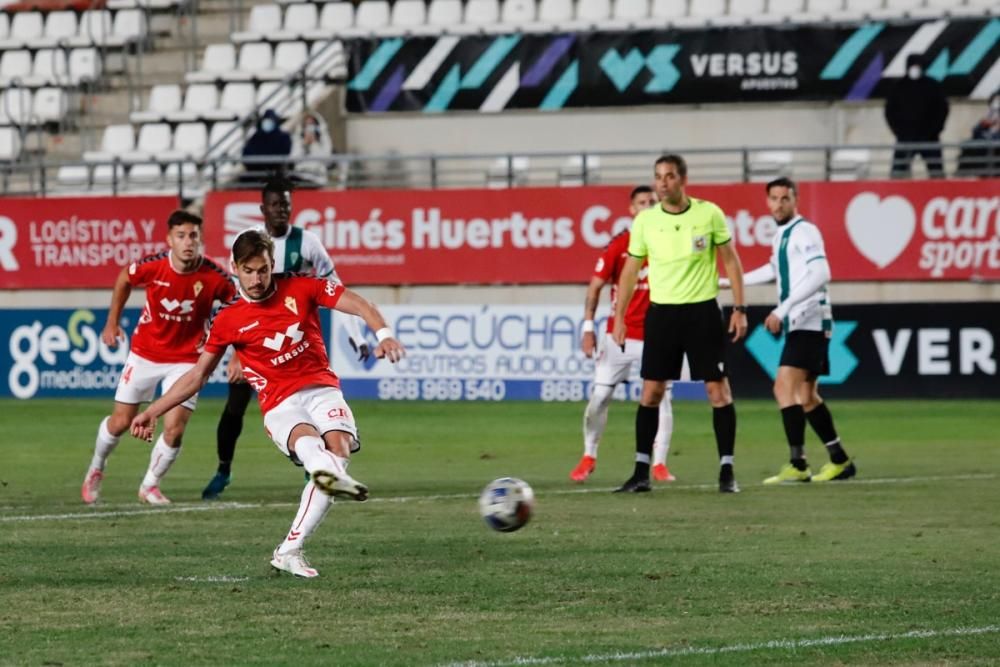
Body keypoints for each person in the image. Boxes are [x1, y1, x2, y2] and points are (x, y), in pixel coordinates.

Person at [130, 230, 405, 578]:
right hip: (280, 403)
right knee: (317, 455)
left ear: (272, 264)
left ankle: (290, 548)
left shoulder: (303, 287)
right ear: (234, 267)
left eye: (262, 270)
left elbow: (362, 305)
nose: (256, 279)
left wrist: (384, 334)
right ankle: (326, 480)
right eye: (248, 271)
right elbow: (197, 376)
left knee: (338, 451)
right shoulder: (228, 318)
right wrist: (153, 410)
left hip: (322, 389)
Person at [202, 176, 370, 501]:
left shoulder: (308, 242)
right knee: (234, 409)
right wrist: (237, 350)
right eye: (276, 205)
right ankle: (223, 469)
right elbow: (239, 296)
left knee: (308, 401)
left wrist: (355, 334)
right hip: (250, 343)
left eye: (287, 205)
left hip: (292, 339)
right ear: (263, 208)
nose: (282, 210)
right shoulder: (245, 241)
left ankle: (317, 472)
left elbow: (335, 287)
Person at [612, 154, 748, 494]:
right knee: (651, 392)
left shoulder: (709, 213)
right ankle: (641, 471)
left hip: (702, 312)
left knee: (718, 392)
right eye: (658, 176)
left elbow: (731, 262)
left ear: (682, 179)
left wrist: (739, 307)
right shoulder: (645, 221)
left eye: (669, 176)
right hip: (662, 315)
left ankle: (727, 471)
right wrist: (619, 317)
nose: (662, 183)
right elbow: (630, 270)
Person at [80, 211, 236, 506]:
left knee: (175, 427)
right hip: (145, 354)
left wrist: (236, 352)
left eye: (193, 235)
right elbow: (124, 278)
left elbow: (236, 308)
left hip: (188, 360)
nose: (188, 242)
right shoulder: (153, 266)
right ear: (169, 240)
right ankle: (96, 467)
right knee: (120, 422)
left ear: (200, 238)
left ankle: (150, 485)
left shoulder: (216, 277)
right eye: (181, 236)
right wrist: (112, 321)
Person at [736, 178, 856, 484]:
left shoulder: (804, 231)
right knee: (806, 395)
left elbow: (821, 272)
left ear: (795, 200)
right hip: (803, 321)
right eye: (773, 199)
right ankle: (840, 460)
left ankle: (798, 462)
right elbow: (773, 270)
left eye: (784, 199)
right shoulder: (782, 236)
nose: (778, 204)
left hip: (810, 319)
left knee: (782, 387)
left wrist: (782, 309)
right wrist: (732, 282)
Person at [571, 185, 680, 484]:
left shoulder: (670, 242)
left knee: (662, 398)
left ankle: (659, 464)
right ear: (632, 210)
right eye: (641, 202)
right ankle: (589, 454)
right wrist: (588, 329)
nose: (648, 205)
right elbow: (595, 287)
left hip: (658, 334)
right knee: (601, 396)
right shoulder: (621, 244)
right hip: (619, 335)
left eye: (652, 201)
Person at [884, 54, 949, 179]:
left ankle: (939, 195)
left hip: (930, 138)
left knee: (936, 173)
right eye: (912, 66)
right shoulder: (899, 86)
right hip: (905, 138)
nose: (915, 69)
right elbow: (890, 111)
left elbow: (942, 109)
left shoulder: (933, 85)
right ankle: (897, 194)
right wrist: (899, 131)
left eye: (918, 66)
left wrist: (935, 129)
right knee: (898, 173)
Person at [957, 91, 1000, 177]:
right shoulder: (990, 117)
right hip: (984, 154)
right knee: (967, 146)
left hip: (995, 156)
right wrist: (983, 125)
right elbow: (975, 133)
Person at [241, 109, 292, 182]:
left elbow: (284, 152)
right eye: (266, 120)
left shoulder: (283, 137)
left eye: (270, 121)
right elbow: (246, 153)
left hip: (275, 172)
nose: (268, 123)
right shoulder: (256, 137)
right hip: (256, 173)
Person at [290, 111, 333, 186]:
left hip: (318, 180)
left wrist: (314, 145)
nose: (309, 127)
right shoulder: (298, 141)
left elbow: (327, 159)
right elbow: (293, 159)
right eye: (307, 124)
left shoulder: (323, 142)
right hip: (301, 179)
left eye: (312, 124)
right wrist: (303, 144)